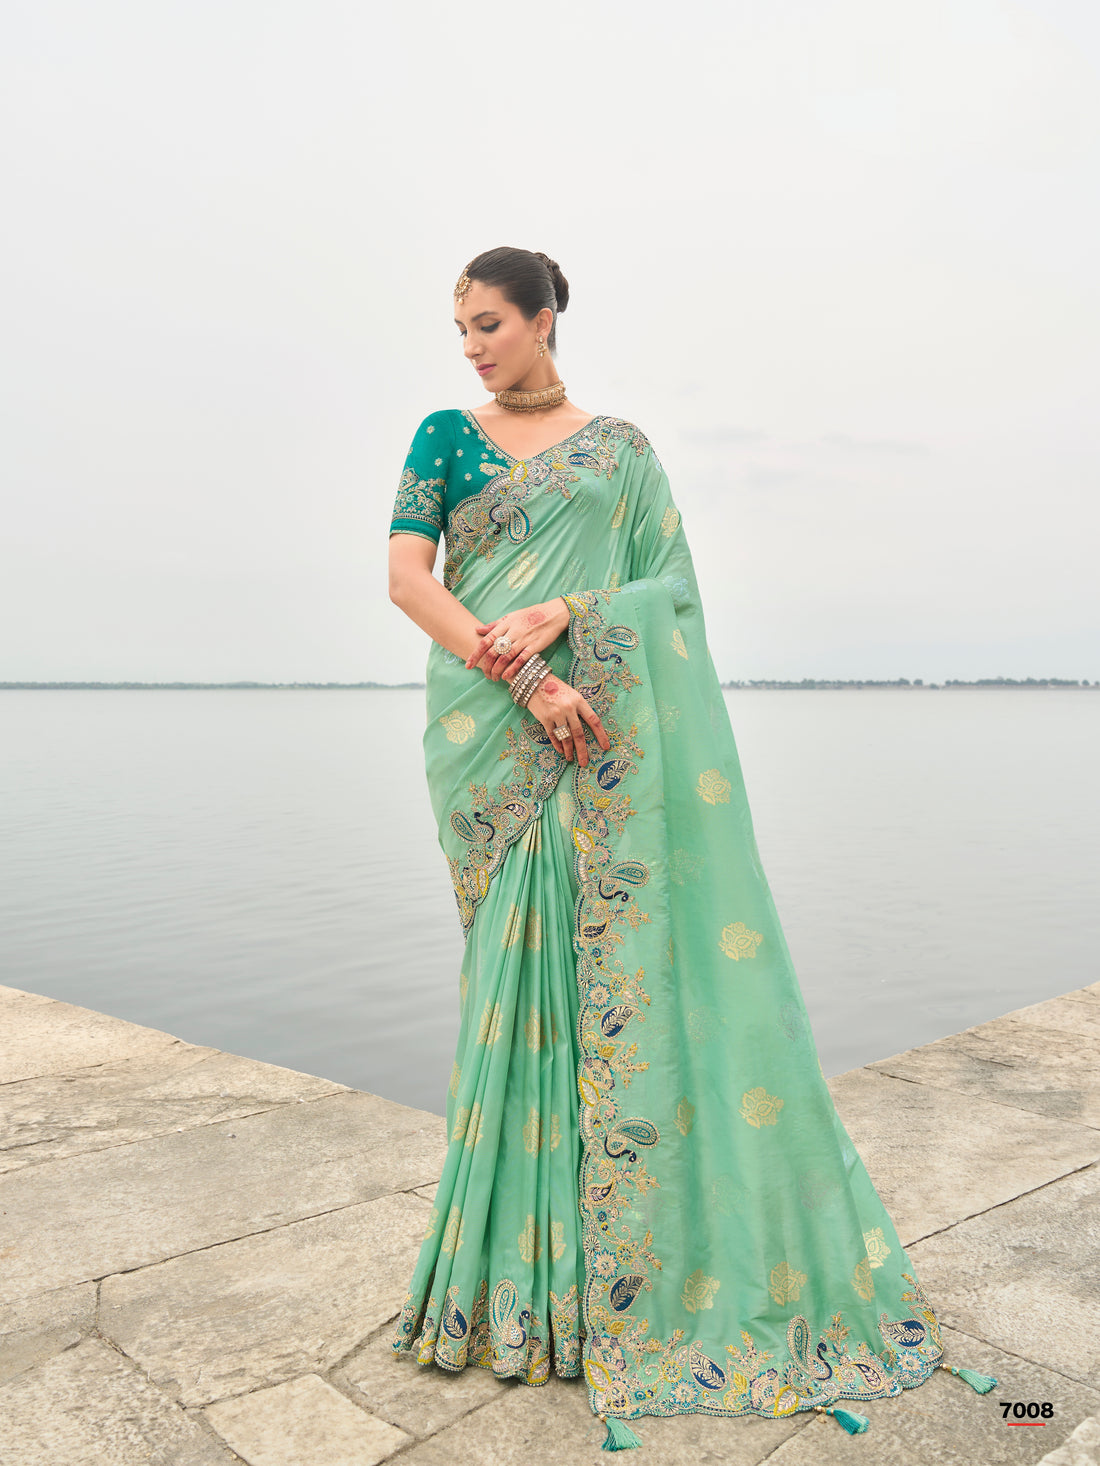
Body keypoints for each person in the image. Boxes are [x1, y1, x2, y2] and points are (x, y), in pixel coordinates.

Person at [386, 246, 995, 1450]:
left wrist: (573, 615)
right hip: (495, 743)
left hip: (603, 746)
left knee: (616, 994)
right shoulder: (440, 437)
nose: (470, 346)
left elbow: (669, 585)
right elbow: (409, 578)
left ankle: (611, 1285)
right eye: (459, 327)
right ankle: (516, 1287)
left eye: (490, 323)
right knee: (514, 994)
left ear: (545, 316)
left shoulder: (620, 451)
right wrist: (521, 670)